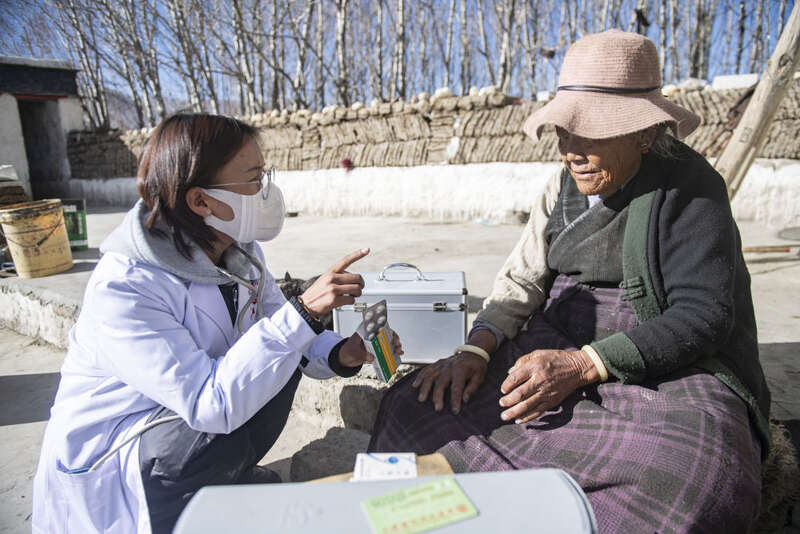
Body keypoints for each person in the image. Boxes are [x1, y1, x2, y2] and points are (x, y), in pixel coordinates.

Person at [369, 30, 769, 533]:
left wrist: (584, 365)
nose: (570, 153)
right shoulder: (562, 187)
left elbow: (703, 315)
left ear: (644, 134)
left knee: (699, 480)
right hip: (556, 338)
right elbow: (522, 279)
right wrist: (476, 350)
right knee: (414, 407)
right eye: (564, 133)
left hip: (664, 360)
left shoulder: (692, 189)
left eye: (591, 135)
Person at [32, 113, 401, 534]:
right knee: (259, 370)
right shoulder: (125, 288)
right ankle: (181, 506)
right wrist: (303, 312)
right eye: (254, 180)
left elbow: (281, 330)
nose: (265, 192)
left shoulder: (238, 252)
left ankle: (225, 479)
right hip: (123, 457)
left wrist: (342, 352)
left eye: (265, 176)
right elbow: (209, 404)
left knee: (277, 360)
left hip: (188, 422)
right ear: (201, 202)